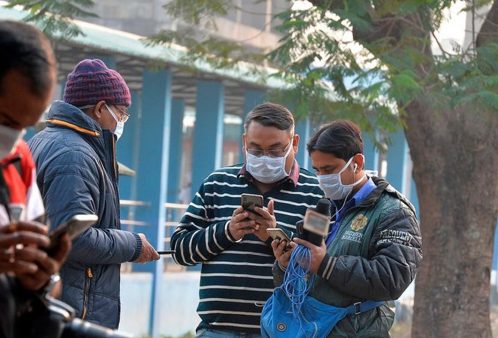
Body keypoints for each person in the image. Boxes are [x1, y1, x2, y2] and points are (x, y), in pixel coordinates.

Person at [171, 102, 324, 337]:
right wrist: (228, 231)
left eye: (275, 150)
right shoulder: (217, 184)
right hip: (217, 329)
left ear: (294, 143)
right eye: (255, 149)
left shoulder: (317, 196)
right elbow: (181, 250)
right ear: (244, 142)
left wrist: (272, 237)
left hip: (284, 330)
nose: (264, 158)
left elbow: (319, 264)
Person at [28, 59, 159, 329]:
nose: (121, 122)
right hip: (69, 308)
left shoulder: (43, 141)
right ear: (100, 109)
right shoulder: (74, 155)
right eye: (121, 114)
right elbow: (74, 238)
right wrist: (133, 245)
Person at [271, 120, 422, 337]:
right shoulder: (324, 208)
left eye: (329, 169)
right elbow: (305, 282)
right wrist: (288, 265)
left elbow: (392, 279)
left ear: (357, 163)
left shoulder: (393, 211)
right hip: (314, 329)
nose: (322, 178)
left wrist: (326, 264)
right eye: (317, 170)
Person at [0, 20, 71, 338]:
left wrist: (40, 278)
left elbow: (46, 290)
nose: (14, 138)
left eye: (26, 126)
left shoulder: (19, 161)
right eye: (5, 121)